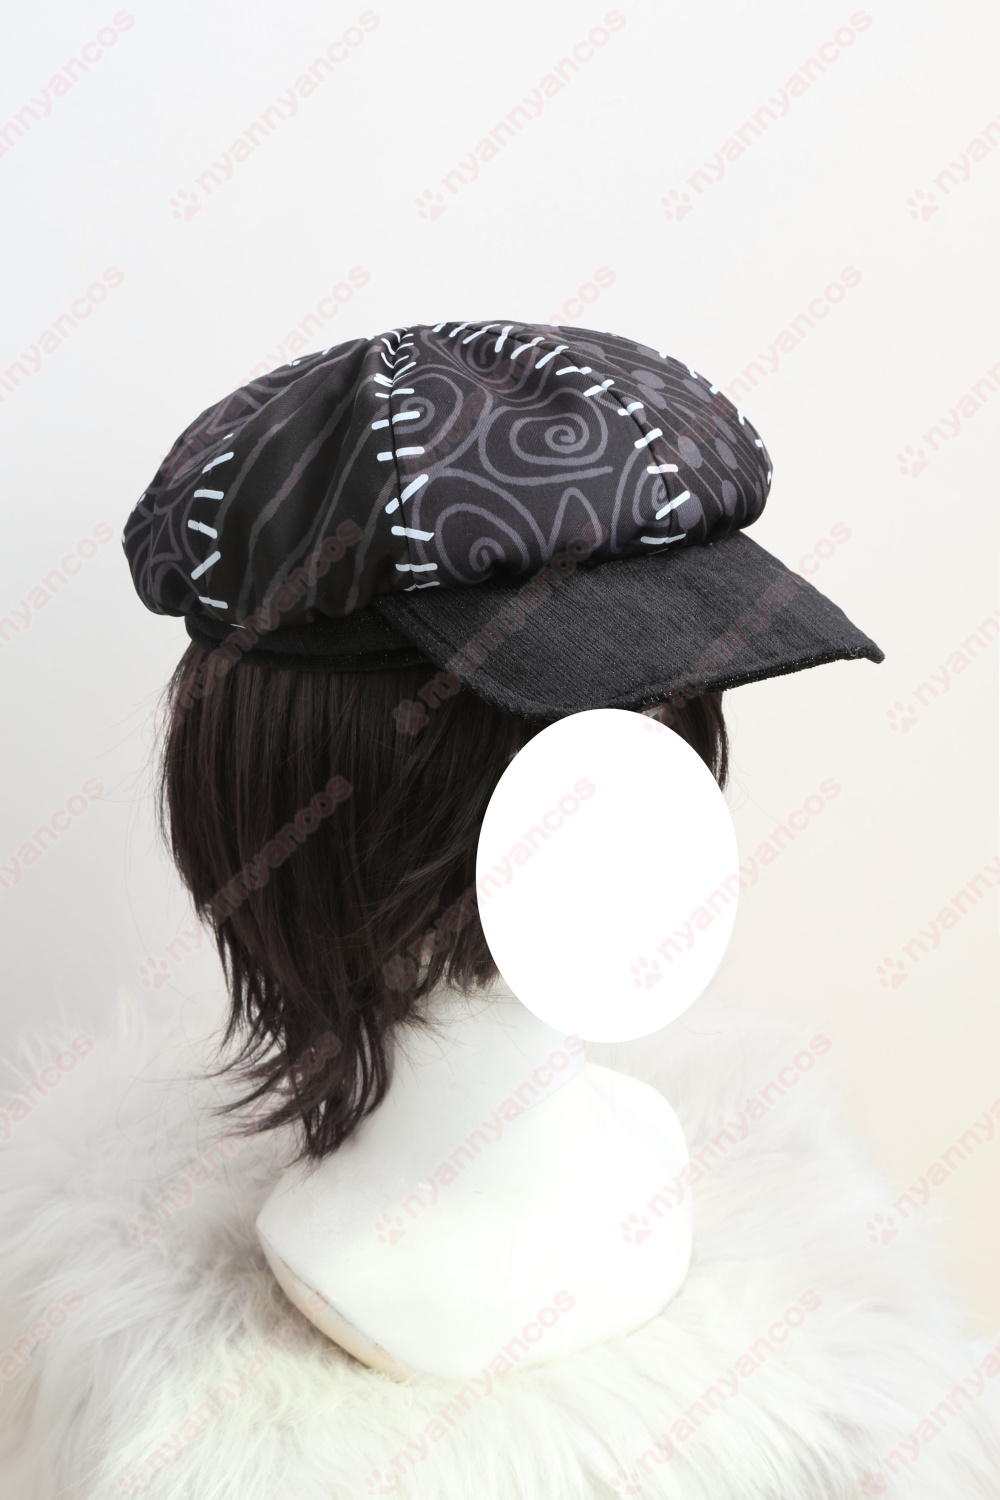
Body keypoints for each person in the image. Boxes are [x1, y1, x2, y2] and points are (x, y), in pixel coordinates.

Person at [124, 318, 883, 1377]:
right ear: (334, 788)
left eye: (664, 704)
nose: (660, 798)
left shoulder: (650, 1135)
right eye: (570, 733)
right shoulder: (364, 1267)